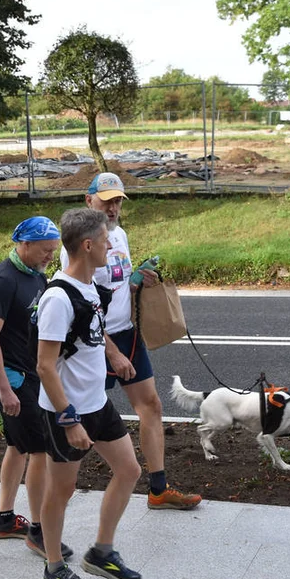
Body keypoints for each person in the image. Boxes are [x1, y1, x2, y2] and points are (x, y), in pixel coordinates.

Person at [60, 173, 201, 510]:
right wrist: (110, 350)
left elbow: (115, 284)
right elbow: (82, 302)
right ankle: (55, 499)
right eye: (106, 199)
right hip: (95, 341)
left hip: (127, 333)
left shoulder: (119, 235)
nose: (113, 207)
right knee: (82, 418)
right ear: (88, 199)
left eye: (118, 200)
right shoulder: (81, 242)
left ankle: (158, 489)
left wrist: (137, 280)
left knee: (150, 405)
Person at [35, 207, 143, 579]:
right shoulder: (58, 298)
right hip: (68, 412)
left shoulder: (87, 288)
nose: (110, 243)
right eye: (104, 238)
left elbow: (92, 339)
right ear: (87, 245)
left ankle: (101, 551)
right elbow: (45, 366)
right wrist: (69, 420)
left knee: (129, 470)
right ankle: (53, 568)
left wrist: (114, 356)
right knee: (60, 492)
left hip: (97, 404)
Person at [0, 216, 72, 560]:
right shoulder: (2, 281)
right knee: (40, 451)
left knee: (17, 446)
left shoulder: (34, 274)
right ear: (25, 244)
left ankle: (4, 519)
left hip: (29, 373)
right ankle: (37, 530)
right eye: (46, 250)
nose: (50, 256)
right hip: (13, 378)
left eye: (53, 250)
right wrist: (4, 388)